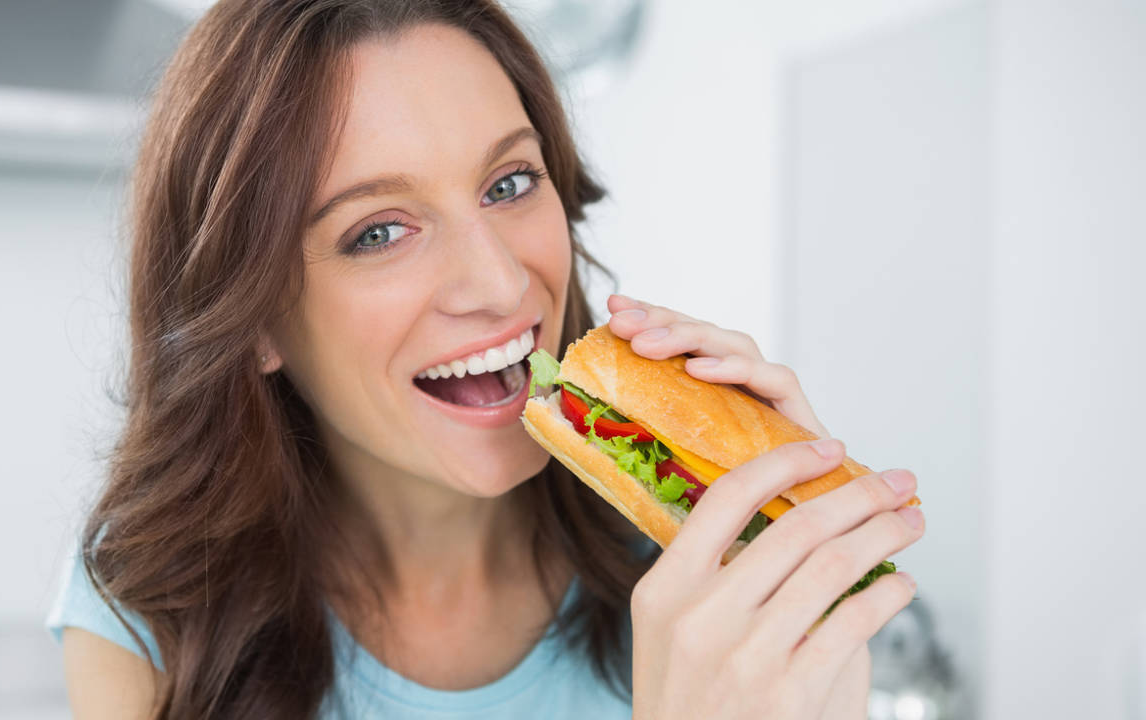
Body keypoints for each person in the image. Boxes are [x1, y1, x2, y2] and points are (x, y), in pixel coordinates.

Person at [46, 1, 926, 718]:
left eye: (510, 184)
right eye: (378, 231)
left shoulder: (699, 572)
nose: (502, 284)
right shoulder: (152, 605)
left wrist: (806, 594)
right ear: (256, 320)